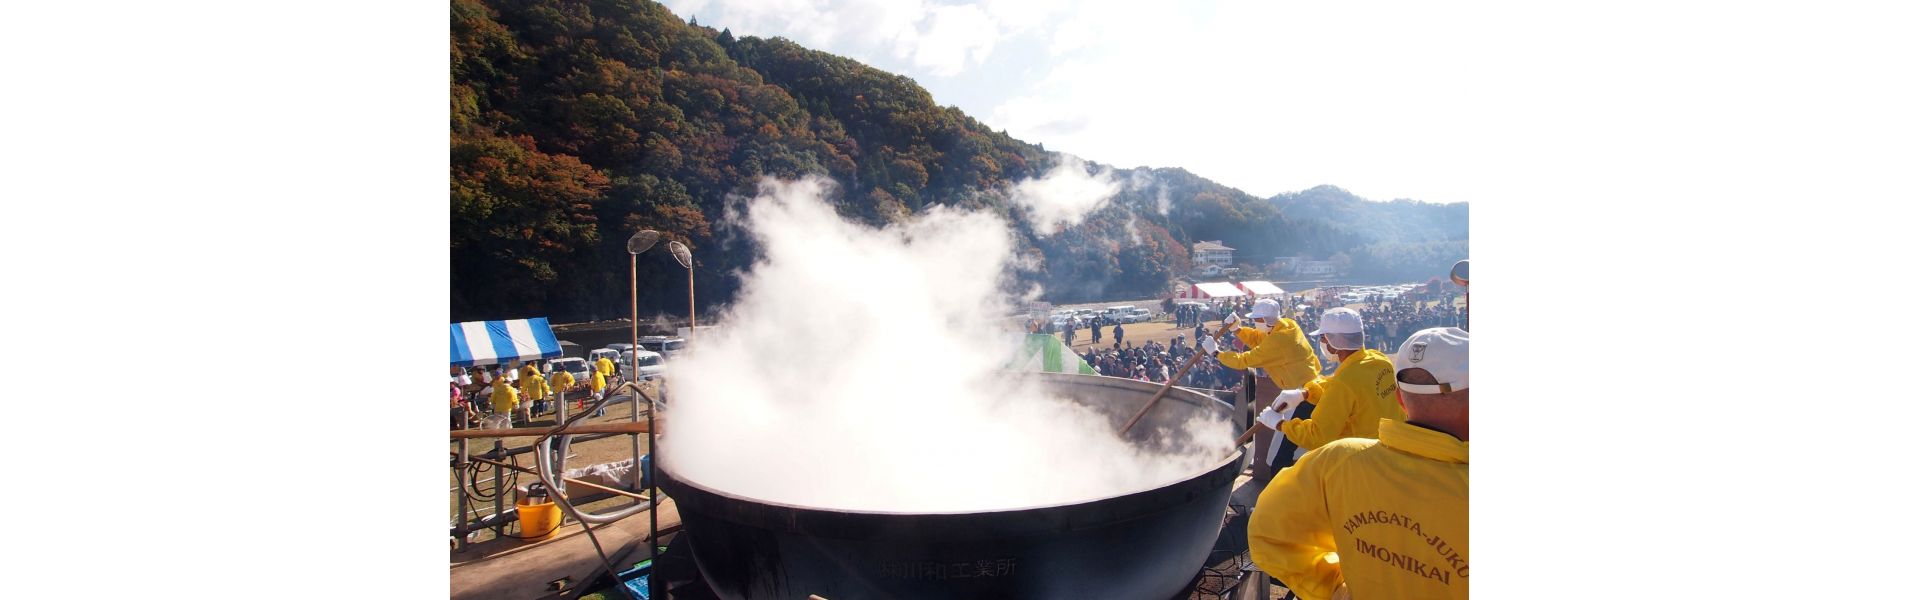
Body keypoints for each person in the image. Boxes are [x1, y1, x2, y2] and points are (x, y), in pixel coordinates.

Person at [1248, 327, 1468, 600]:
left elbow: (1267, 533)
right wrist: (1307, 392)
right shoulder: (1377, 361)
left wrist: (1337, 588)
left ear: (1400, 398)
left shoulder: (1334, 461)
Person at [1203, 298, 1323, 479]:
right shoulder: (1287, 325)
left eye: (1257, 320)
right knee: (1291, 449)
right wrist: (1237, 329)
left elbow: (1245, 360)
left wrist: (1216, 353)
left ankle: (1281, 495)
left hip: (1299, 396)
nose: (1254, 322)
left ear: (1268, 320)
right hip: (1303, 390)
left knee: (1279, 455)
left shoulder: (1280, 340)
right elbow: (1259, 339)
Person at [1261, 307, 1406, 454]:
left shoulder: (1343, 383)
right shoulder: (1379, 359)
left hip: (1364, 456)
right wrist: (1306, 393)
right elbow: (1346, 385)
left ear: (1335, 341)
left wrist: (1280, 424)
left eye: (1323, 338)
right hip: (1393, 443)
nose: (1322, 342)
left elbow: (1316, 436)